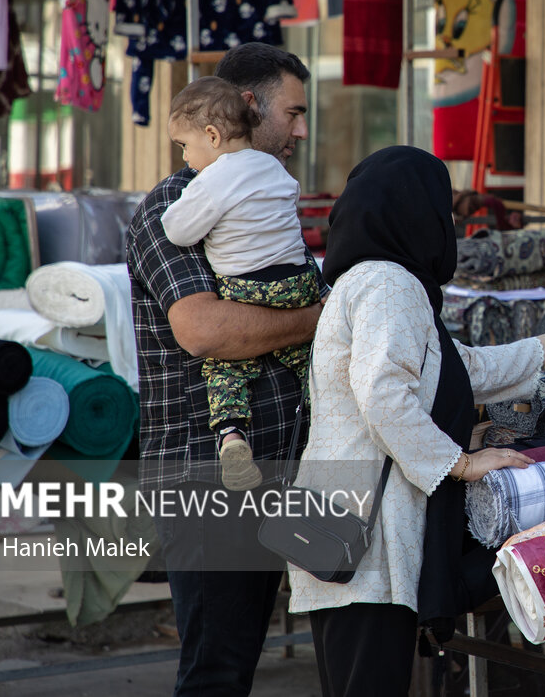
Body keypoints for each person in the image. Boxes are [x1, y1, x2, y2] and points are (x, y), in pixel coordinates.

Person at [288, 146, 545, 697]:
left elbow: (453, 367)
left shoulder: (380, 284)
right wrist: (461, 463)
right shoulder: (388, 285)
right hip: (364, 538)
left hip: (345, 529)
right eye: (441, 209)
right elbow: (384, 395)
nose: (446, 225)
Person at [126, 42, 321, 696]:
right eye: (292, 113)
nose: (300, 129)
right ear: (245, 108)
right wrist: (324, 316)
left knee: (235, 663)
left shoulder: (263, 198)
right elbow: (206, 330)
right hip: (207, 473)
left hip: (270, 463)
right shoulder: (173, 205)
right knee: (216, 674)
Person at [160, 75, 319, 492]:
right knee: (311, 360)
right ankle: (324, 418)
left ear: (211, 135)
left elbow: (177, 230)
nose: (185, 159)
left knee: (225, 369)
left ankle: (231, 434)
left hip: (248, 288)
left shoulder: (211, 180)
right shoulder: (272, 167)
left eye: (184, 146)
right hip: (298, 284)